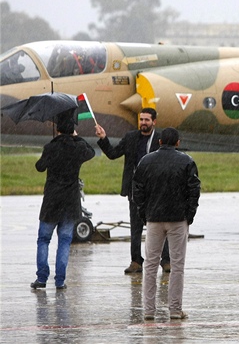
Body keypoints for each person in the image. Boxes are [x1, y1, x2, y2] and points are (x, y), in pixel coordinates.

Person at [132, 127, 201, 320]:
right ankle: (175, 309)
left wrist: (144, 213)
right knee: (177, 265)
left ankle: (148, 310)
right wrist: (189, 215)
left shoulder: (146, 161)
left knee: (150, 265)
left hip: (154, 218)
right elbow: (194, 190)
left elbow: (137, 190)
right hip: (178, 219)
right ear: (178, 142)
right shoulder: (186, 161)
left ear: (160, 142)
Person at [95, 107, 170, 274]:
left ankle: (166, 261)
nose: (143, 123)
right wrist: (103, 138)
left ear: (154, 122)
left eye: (146, 120)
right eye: (141, 119)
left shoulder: (160, 139)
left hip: (156, 191)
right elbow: (113, 154)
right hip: (136, 190)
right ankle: (136, 261)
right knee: (135, 227)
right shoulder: (131, 138)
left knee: (160, 226)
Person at [30, 116, 95, 290]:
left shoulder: (51, 147)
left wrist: (54, 145)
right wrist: (76, 137)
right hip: (70, 201)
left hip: (52, 200)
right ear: (72, 131)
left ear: (58, 130)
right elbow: (91, 151)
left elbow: (39, 167)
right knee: (65, 241)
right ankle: (60, 281)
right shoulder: (78, 147)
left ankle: (42, 278)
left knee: (43, 239)